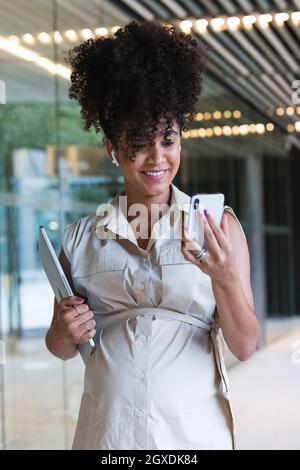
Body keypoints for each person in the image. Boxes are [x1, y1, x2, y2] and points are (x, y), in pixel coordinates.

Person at [45, 20, 259, 450]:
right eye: (139, 142)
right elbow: (60, 345)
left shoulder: (218, 230)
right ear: (112, 148)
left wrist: (226, 278)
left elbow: (245, 344)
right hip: (108, 439)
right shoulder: (80, 241)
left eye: (168, 139)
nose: (157, 157)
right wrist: (64, 331)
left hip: (194, 438)